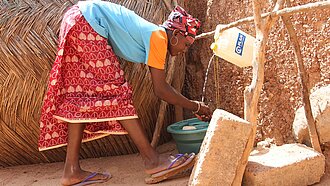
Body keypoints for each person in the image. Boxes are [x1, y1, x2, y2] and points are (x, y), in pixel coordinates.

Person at [38, 1, 212, 185]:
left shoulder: (154, 36)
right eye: (186, 44)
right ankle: (152, 159)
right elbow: (161, 90)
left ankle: (71, 171)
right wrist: (197, 106)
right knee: (117, 94)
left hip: (75, 20)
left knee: (81, 97)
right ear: (176, 34)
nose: (184, 51)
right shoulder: (159, 37)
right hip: (86, 22)